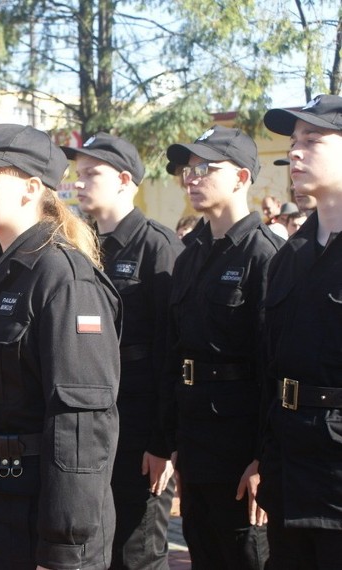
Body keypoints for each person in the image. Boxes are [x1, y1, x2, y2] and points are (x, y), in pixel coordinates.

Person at [0, 124, 121, 569]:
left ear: (30, 189)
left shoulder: (64, 277)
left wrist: (62, 548)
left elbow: (81, 424)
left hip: (31, 519)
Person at [162, 125, 283, 569]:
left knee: (244, 554)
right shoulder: (191, 255)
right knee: (203, 551)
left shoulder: (265, 255)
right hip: (196, 439)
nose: (191, 177)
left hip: (239, 447)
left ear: (241, 178)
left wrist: (263, 458)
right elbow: (176, 354)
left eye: (206, 168)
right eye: (188, 169)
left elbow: (273, 366)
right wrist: (172, 438)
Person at [64, 133, 183, 570]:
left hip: (139, 428)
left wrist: (161, 440)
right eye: (78, 174)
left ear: (124, 180)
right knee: (96, 546)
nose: (80, 183)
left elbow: (171, 350)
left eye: (92, 173)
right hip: (94, 424)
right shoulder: (81, 246)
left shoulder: (159, 247)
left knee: (138, 549)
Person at [258, 94, 342, 568]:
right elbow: (273, 363)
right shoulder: (291, 254)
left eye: (313, 140)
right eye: (293, 142)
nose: (295, 152)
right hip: (289, 471)